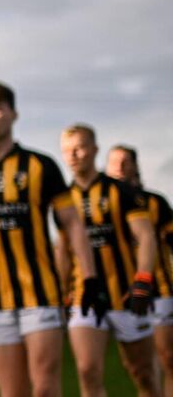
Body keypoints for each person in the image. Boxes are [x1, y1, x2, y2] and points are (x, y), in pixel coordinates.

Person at [0, 81, 106, 396]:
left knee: (45, 388)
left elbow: (73, 226)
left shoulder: (41, 166)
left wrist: (90, 278)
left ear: (13, 114)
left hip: (40, 295)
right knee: (12, 393)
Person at [57, 124, 160, 396]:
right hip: (85, 297)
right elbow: (64, 249)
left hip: (126, 296)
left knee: (144, 374)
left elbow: (146, 237)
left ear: (94, 149)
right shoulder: (62, 200)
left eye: (79, 148)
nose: (73, 155)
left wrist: (143, 280)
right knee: (88, 372)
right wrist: (60, 291)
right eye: (67, 151)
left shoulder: (123, 192)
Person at [106, 144, 173, 395]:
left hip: (160, 290)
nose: (119, 167)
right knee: (138, 368)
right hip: (122, 294)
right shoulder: (101, 204)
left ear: (135, 165)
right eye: (114, 162)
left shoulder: (156, 202)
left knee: (168, 358)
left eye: (125, 161)